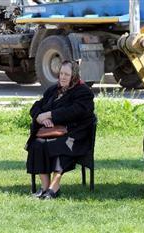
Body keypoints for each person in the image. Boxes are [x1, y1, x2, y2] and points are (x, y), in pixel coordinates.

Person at [25, 60, 96, 199]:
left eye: (67, 74)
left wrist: (50, 114)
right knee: (37, 143)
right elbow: (37, 105)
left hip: (75, 135)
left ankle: (54, 187)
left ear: (74, 76)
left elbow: (75, 111)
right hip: (51, 131)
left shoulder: (84, 92)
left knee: (57, 145)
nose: (63, 77)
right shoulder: (53, 90)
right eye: (61, 73)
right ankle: (45, 187)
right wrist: (39, 117)